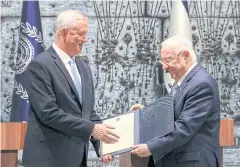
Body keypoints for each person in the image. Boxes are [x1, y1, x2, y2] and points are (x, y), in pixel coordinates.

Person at [22, 10, 118, 167]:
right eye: (80, 33)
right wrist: (92, 129)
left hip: (78, 158)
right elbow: (48, 113)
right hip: (49, 159)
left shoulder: (84, 67)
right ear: (63, 32)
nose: (85, 39)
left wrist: (101, 145)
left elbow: (88, 112)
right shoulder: (40, 65)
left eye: (85, 34)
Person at [130, 36, 221, 167]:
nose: (164, 67)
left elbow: (184, 128)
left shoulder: (202, 84)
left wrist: (150, 147)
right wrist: (146, 111)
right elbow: (173, 113)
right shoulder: (184, 80)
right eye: (163, 61)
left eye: (168, 60)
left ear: (186, 56)